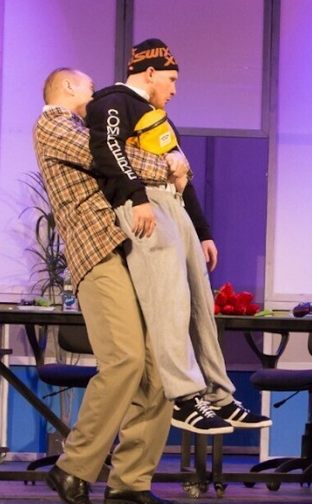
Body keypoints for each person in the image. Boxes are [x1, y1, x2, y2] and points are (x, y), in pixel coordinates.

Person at [85, 38, 270, 435]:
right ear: (149, 73)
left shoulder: (159, 118)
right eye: (171, 79)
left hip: (173, 205)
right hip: (145, 204)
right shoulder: (112, 102)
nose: (175, 89)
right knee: (169, 299)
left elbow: (183, 179)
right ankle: (185, 397)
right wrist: (136, 196)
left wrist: (202, 231)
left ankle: (218, 394)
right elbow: (107, 150)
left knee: (200, 303)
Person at [34, 68, 174, 504]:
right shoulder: (53, 122)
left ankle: (130, 481)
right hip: (97, 252)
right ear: (67, 87)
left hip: (127, 250)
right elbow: (102, 154)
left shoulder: (77, 124)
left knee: (157, 368)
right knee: (125, 359)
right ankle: (72, 468)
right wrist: (167, 165)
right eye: (90, 88)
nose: (95, 97)